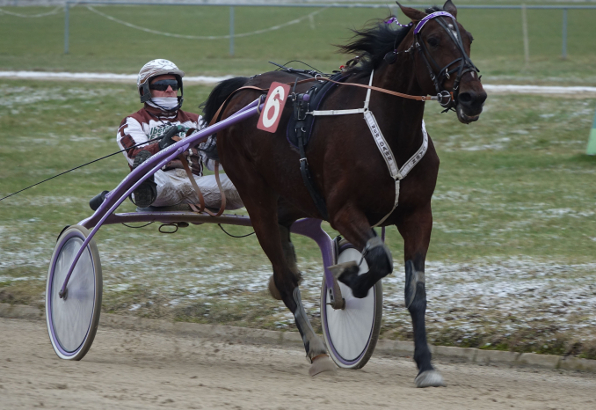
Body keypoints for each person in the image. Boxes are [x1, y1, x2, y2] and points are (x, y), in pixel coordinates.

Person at [117, 59, 243, 210]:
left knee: (245, 182)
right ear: (145, 90)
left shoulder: (197, 121)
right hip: (161, 182)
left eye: (174, 85)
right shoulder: (133, 121)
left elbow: (213, 162)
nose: (170, 89)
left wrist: (234, 143)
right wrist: (161, 146)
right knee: (148, 176)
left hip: (196, 184)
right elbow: (134, 156)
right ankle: (143, 192)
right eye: (162, 85)